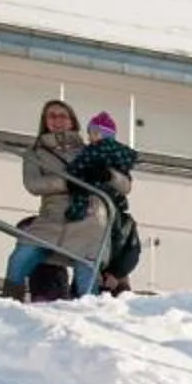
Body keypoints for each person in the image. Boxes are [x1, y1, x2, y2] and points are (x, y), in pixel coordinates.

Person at [5, 99, 95, 302]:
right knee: (20, 258)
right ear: (44, 121)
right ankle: (8, 306)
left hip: (87, 218)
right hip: (51, 217)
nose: (57, 120)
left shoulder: (89, 151)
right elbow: (33, 184)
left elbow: (118, 183)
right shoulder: (35, 153)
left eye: (63, 115)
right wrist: (68, 182)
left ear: (72, 121)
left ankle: (91, 316)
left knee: (87, 271)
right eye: (51, 116)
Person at [70, 111, 142, 296]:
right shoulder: (88, 212)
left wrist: (116, 274)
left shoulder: (124, 223)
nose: (91, 136)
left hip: (114, 282)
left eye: (95, 132)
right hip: (89, 268)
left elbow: (132, 251)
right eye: (90, 132)